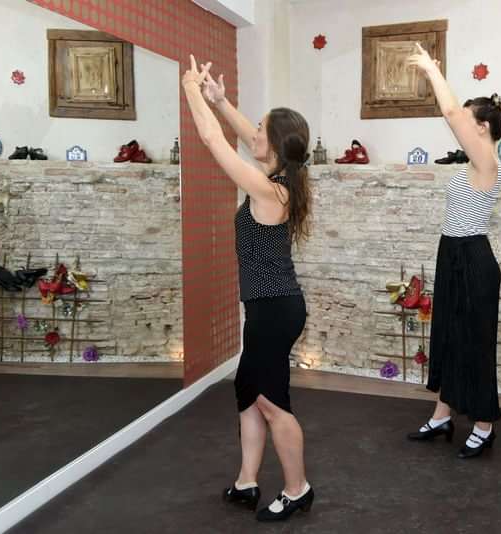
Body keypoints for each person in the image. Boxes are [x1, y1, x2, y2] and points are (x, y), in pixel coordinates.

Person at [182, 55, 314, 521]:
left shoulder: (269, 191)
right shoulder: (282, 179)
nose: (252, 134)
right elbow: (243, 134)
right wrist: (221, 100)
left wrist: (192, 92)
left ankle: (297, 489)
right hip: (267, 307)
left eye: (260, 130)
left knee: (273, 402)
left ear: (274, 144)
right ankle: (247, 481)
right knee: (249, 394)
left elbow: (213, 140)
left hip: (275, 310)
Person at [404, 44, 501, 459]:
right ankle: (443, 413)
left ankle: (484, 424)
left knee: (475, 343)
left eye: (468, 118)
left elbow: (450, 113)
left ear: (482, 127)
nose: (461, 123)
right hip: (452, 254)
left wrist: (431, 69)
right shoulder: (472, 160)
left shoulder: (487, 159)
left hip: (473, 260)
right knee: (446, 334)